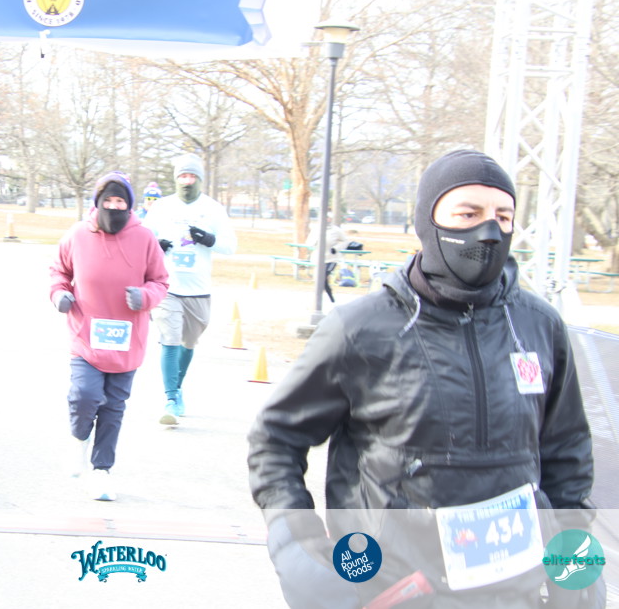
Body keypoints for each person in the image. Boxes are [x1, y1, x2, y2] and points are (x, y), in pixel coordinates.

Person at [247, 150, 596, 607]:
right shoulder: (361, 329)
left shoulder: (539, 325)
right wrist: (296, 545)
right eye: (468, 214)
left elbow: (566, 454)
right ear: (427, 221)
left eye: (503, 217)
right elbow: (275, 439)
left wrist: (576, 563)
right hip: (392, 589)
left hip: (516, 592)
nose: (489, 231)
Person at [50, 171, 169, 501]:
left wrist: (145, 297)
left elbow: (160, 281)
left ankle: (101, 471)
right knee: (84, 395)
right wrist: (59, 294)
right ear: (97, 203)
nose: (114, 207)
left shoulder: (144, 238)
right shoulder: (77, 235)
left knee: (113, 407)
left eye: (120, 201)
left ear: (129, 205)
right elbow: (59, 271)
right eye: (108, 201)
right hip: (86, 333)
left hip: (127, 339)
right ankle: (78, 439)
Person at [143, 153, 237, 425]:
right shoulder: (161, 207)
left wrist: (209, 239)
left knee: (188, 343)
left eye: (192, 176)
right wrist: (155, 245)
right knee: (170, 338)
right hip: (167, 287)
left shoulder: (213, 209)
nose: (187, 181)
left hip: (198, 289)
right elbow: (142, 239)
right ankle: (171, 399)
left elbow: (231, 246)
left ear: (200, 179)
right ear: (176, 178)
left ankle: (177, 388)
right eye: (183, 176)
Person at [306, 211, 348, 303]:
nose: (326, 219)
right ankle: (327, 297)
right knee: (320, 279)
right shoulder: (316, 229)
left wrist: (336, 248)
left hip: (331, 258)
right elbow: (309, 242)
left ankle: (326, 298)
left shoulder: (336, 230)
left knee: (323, 276)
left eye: (328, 218)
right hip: (318, 258)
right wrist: (314, 244)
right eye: (325, 218)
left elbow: (345, 241)